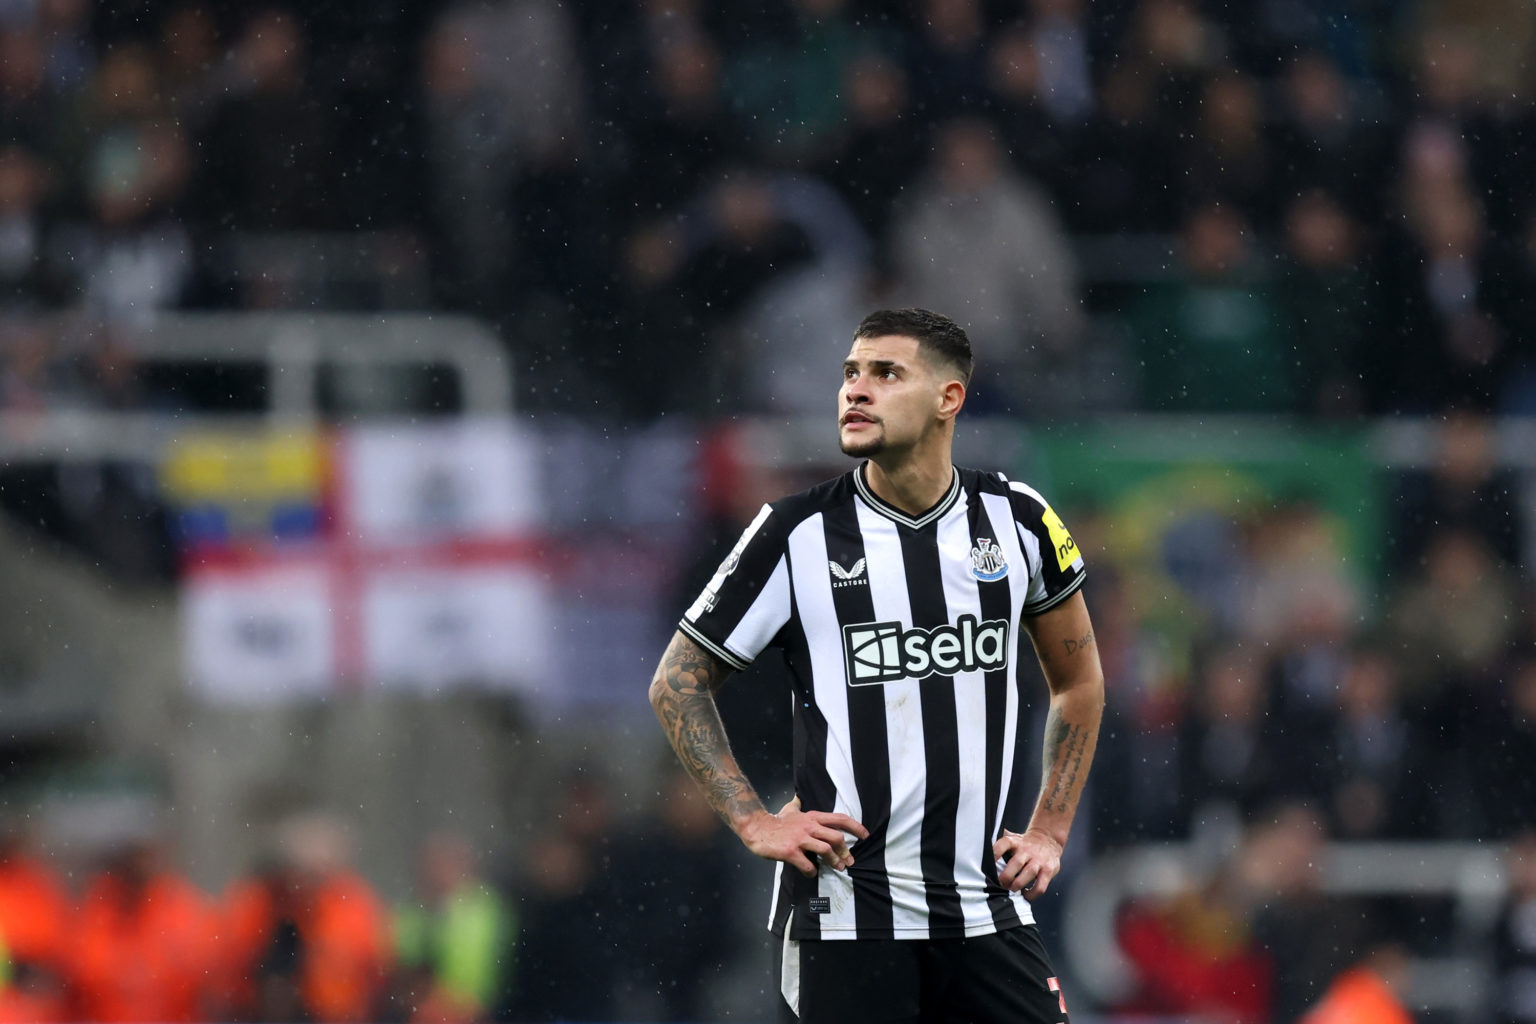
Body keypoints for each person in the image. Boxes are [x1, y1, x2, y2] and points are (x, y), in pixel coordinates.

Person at [648, 308, 1105, 1023]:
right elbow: (676, 682)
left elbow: (1078, 682)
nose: (856, 390)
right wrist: (751, 820)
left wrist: (1048, 828)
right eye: (850, 374)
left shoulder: (1019, 519)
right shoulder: (793, 533)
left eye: (886, 373)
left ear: (949, 398)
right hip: (847, 914)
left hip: (984, 907)